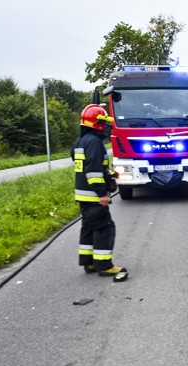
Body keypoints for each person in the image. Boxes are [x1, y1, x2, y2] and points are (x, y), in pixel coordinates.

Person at [71, 104, 128, 281]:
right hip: (93, 195)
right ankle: (104, 265)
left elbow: (83, 163)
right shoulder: (95, 142)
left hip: (82, 194)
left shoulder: (80, 141)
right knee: (104, 227)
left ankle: (88, 262)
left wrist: (108, 174)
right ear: (98, 123)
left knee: (88, 227)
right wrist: (101, 193)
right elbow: (94, 171)